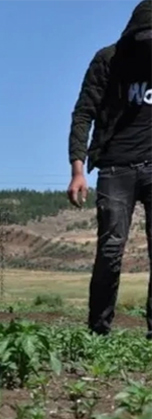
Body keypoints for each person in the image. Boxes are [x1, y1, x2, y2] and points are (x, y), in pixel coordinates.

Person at [67, 0, 152, 339]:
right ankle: (98, 330)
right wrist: (77, 169)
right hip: (116, 167)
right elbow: (82, 113)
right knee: (111, 249)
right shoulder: (108, 60)